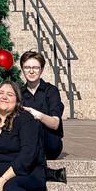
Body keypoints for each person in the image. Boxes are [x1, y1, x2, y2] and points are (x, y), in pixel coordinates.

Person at [20, 50, 67, 182]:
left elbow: (55, 123)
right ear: (22, 69)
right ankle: (45, 171)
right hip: (28, 143)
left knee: (35, 122)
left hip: (50, 142)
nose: (31, 71)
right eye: (27, 67)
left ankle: (41, 170)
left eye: (35, 67)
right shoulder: (19, 93)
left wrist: (38, 115)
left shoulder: (51, 91)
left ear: (41, 69)